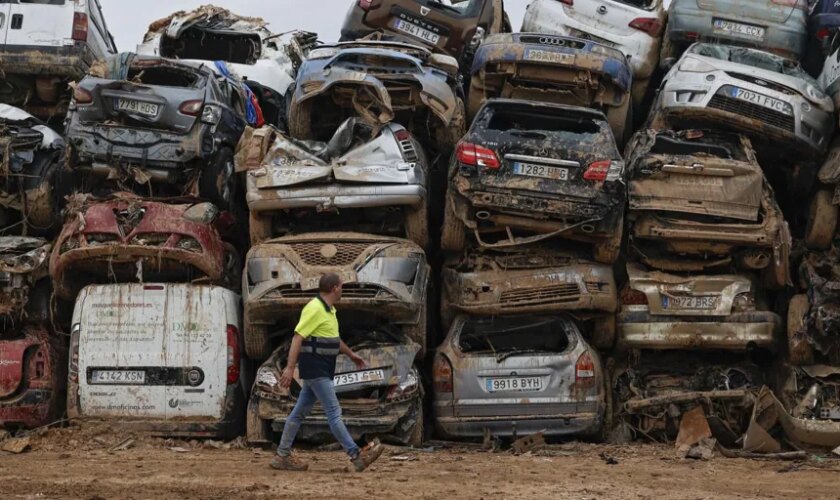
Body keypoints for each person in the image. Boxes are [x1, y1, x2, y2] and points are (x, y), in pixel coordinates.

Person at [270, 272, 384, 472]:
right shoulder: (314, 308)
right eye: (342, 286)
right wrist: (289, 368)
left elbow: (333, 339)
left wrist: (351, 355)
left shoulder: (329, 310)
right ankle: (356, 455)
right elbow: (298, 338)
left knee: (298, 413)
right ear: (335, 288)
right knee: (334, 413)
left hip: (322, 368)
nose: (343, 290)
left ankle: (282, 455)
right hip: (315, 369)